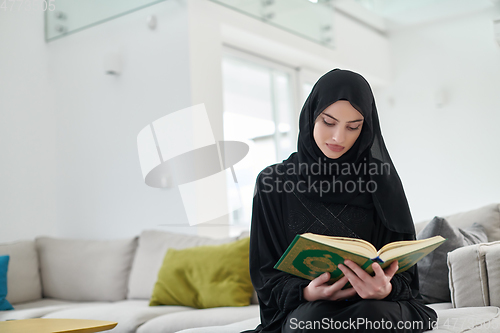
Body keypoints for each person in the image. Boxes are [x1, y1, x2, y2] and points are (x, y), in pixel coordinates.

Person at [243, 69, 438, 333]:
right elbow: (265, 275)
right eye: (328, 122)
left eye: (353, 127)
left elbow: (405, 275)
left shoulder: (382, 181)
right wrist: (307, 292)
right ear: (311, 115)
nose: (338, 137)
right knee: (311, 322)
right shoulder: (272, 182)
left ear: (366, 128)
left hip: (376, 306)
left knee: (372, 316)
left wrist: (386, 288)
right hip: (307, 309)